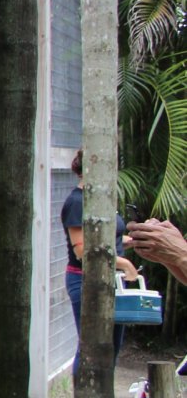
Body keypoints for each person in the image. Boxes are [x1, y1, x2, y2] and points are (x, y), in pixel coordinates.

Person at [62, 149, 138, 371]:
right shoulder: (77, 202)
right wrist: (125, 264)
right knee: (91, 346)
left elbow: (108, 239)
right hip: (85, 280)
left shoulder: (102, 199)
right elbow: (82, 251)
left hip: (112, 280)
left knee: (112, 345)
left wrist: (136, 240)